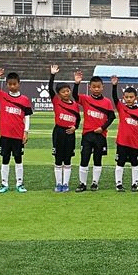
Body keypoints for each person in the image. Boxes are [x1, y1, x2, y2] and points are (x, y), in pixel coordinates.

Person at [0, 68, 33, 193]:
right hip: (5, 135)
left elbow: (27, 116)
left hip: (18, 135)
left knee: (18, 159)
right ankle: (4, 184)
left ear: (19, 84)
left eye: (14, 84)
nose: (12, 86)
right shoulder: (2, 96)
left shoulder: (24, 99)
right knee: (5, 159)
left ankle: (20, 184)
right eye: (10, 84)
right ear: (7, 84)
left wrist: (26, 131)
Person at [73, 71, 116, 192]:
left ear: (102, 87)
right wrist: (76, 83)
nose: (96, 89)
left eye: (98, 87)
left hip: (100, 135)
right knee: (84, 159)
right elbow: (75, 96)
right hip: (87, 135)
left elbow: (112, 117)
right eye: (94, 87)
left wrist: (102, 128)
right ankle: (82, 183)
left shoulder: (107, 102)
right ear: (89, 87)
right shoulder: (85, 99)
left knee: (98, 159)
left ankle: (95, 183)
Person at [111, 76, 138, 192]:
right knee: (120, 163)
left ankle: (135, 184)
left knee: (135, 163)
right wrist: (114, 86)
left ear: (136, 98)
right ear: (123, 98)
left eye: (131, 97)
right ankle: (119, 184)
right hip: (122, 141)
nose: (129, 99)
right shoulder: (121, 108)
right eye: (126, 97)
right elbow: (114, 98)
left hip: (134, 142)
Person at [48, 65, 80, 193]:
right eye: (63, 91)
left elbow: (78, 119)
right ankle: (58, 183)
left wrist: (75, 127)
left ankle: (65, 184)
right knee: (58, 159)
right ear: (59, 94)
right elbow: (50, 89)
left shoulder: (75, 105)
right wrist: (52, 75)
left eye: (68, 90)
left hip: (70, 134)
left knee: (67, 159)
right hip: (59, 132)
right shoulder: (56, 101)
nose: (66, 93)